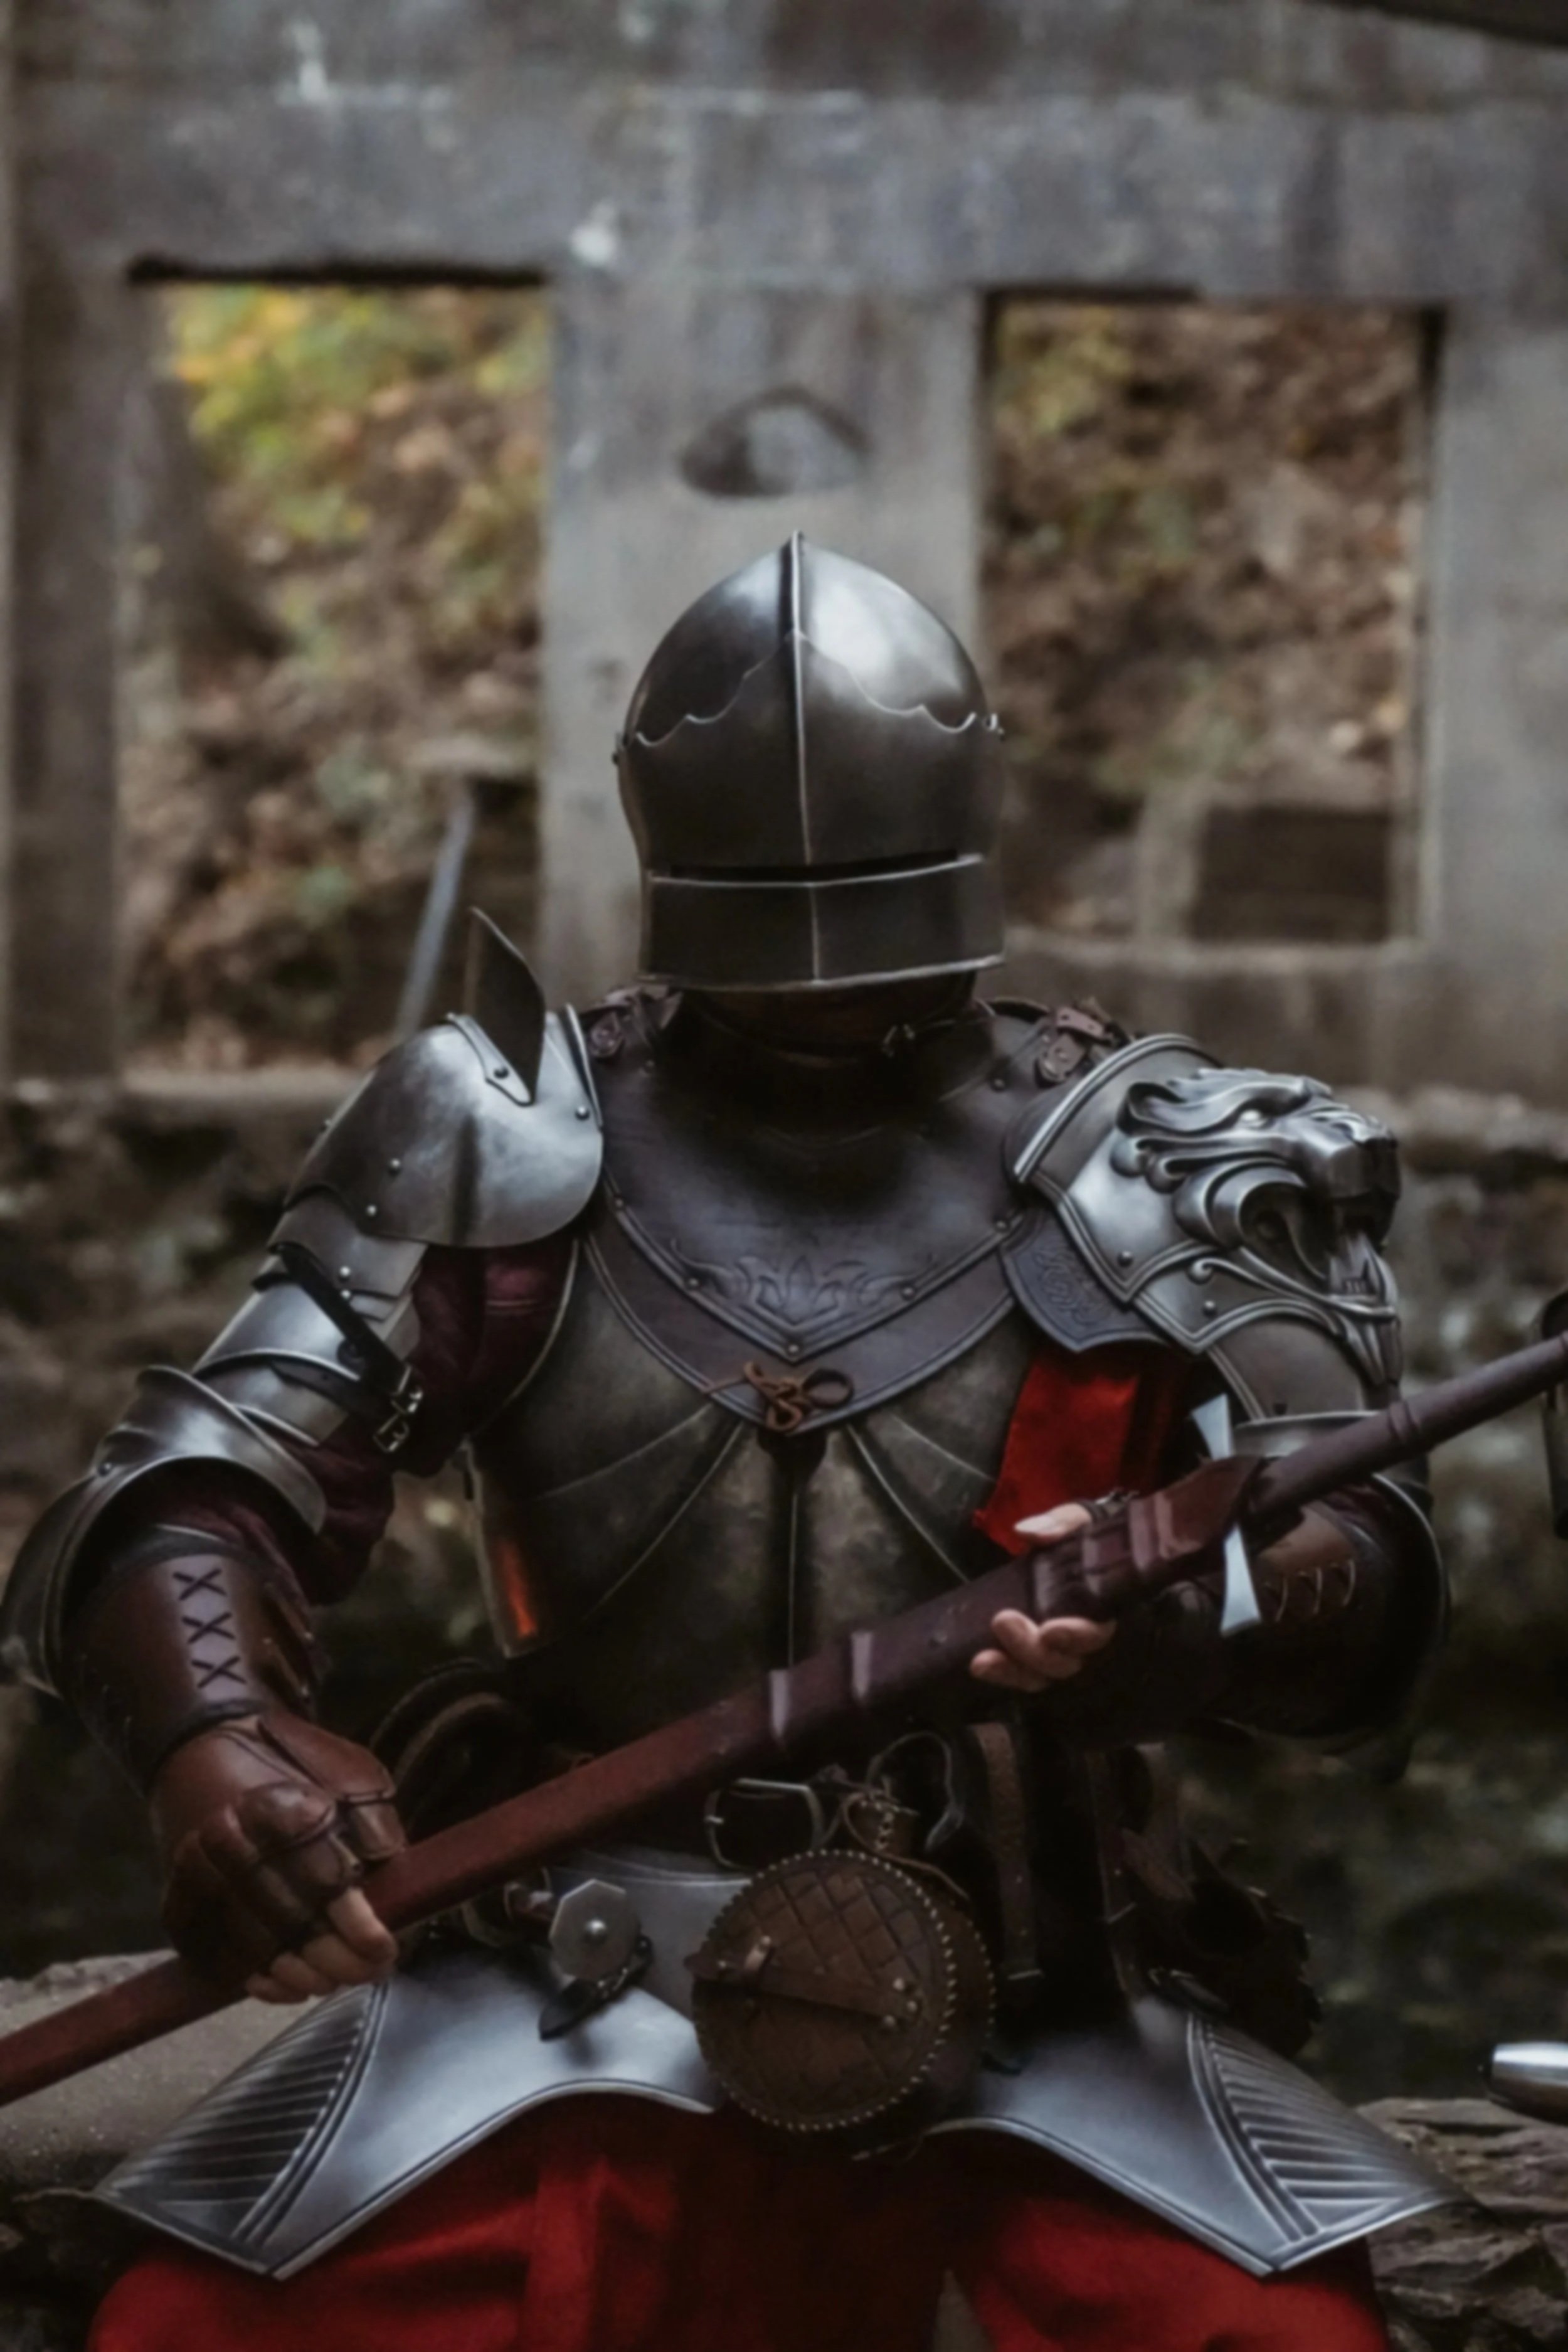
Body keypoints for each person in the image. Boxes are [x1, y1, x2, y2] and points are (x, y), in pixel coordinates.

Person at [1, 538, 1449, 2352]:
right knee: (196, 2333)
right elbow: (201, 1478)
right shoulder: (503, 1141)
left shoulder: (1176, 1164)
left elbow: (1370, 1558)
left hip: (1023, 1976)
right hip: (563, 1970)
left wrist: (1205, 1611)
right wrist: (217, 1732)